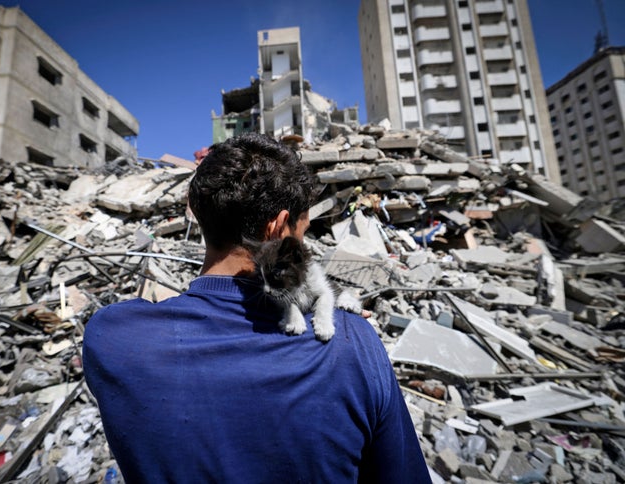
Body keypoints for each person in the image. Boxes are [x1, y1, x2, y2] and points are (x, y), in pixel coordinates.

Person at [83, 133, 431, 483]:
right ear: (277, 230)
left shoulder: (112, 339)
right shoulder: (353, 345)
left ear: (196, 208)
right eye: (302, 234)